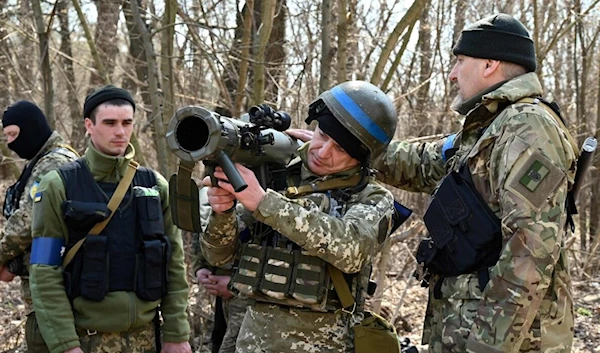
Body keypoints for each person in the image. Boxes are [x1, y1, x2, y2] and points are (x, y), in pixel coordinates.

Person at [291, 14, 577, 353]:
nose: (453, 74)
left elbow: (530, 251)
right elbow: (422, 164)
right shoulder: (491, 129)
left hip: (508, 343)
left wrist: (486, 347)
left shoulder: (528, 128)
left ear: (489, 64)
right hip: (467, 328)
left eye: (459, 61)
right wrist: (344, 143)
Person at [199, 80, 399, 352]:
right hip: (251, 340)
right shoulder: (279, 173)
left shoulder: (370, 197)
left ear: (362, 158)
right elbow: (219, 256)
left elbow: (352, 249)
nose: (323, 152)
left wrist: (264, 202)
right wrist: (222, 214)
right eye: (323, 135)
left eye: (341, 149)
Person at [28, 85, 192, 353]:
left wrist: (176, 333)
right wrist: (66, 345)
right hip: (87, 339)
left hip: (148, 338)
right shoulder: (57, 185)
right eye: (110, 123)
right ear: (89, 125)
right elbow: (44, 273)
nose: (120, 131)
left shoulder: (155, 185)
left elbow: (173, 262)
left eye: (127, 122)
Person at [0, 101, 79, 353]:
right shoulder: (39, 160)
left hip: (56, 286)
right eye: (6, 137)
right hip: (45, 280)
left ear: (31, 128)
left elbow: (27, 221)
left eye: (14, 134)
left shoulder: (54, 162)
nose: (11, 144)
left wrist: (1, 255)